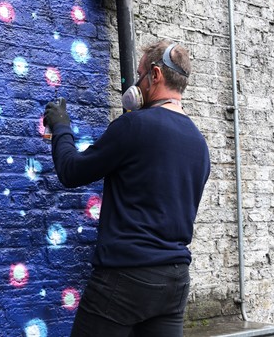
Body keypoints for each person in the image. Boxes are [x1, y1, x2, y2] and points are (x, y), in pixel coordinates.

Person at [43, 40, 211, 337]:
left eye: (140, 74)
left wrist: (61, 127)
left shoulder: (135, 125)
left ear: (156, 75)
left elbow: (71, 172)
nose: (136, 83)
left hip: (126, 278)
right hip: (174, 279)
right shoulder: (199, 144)